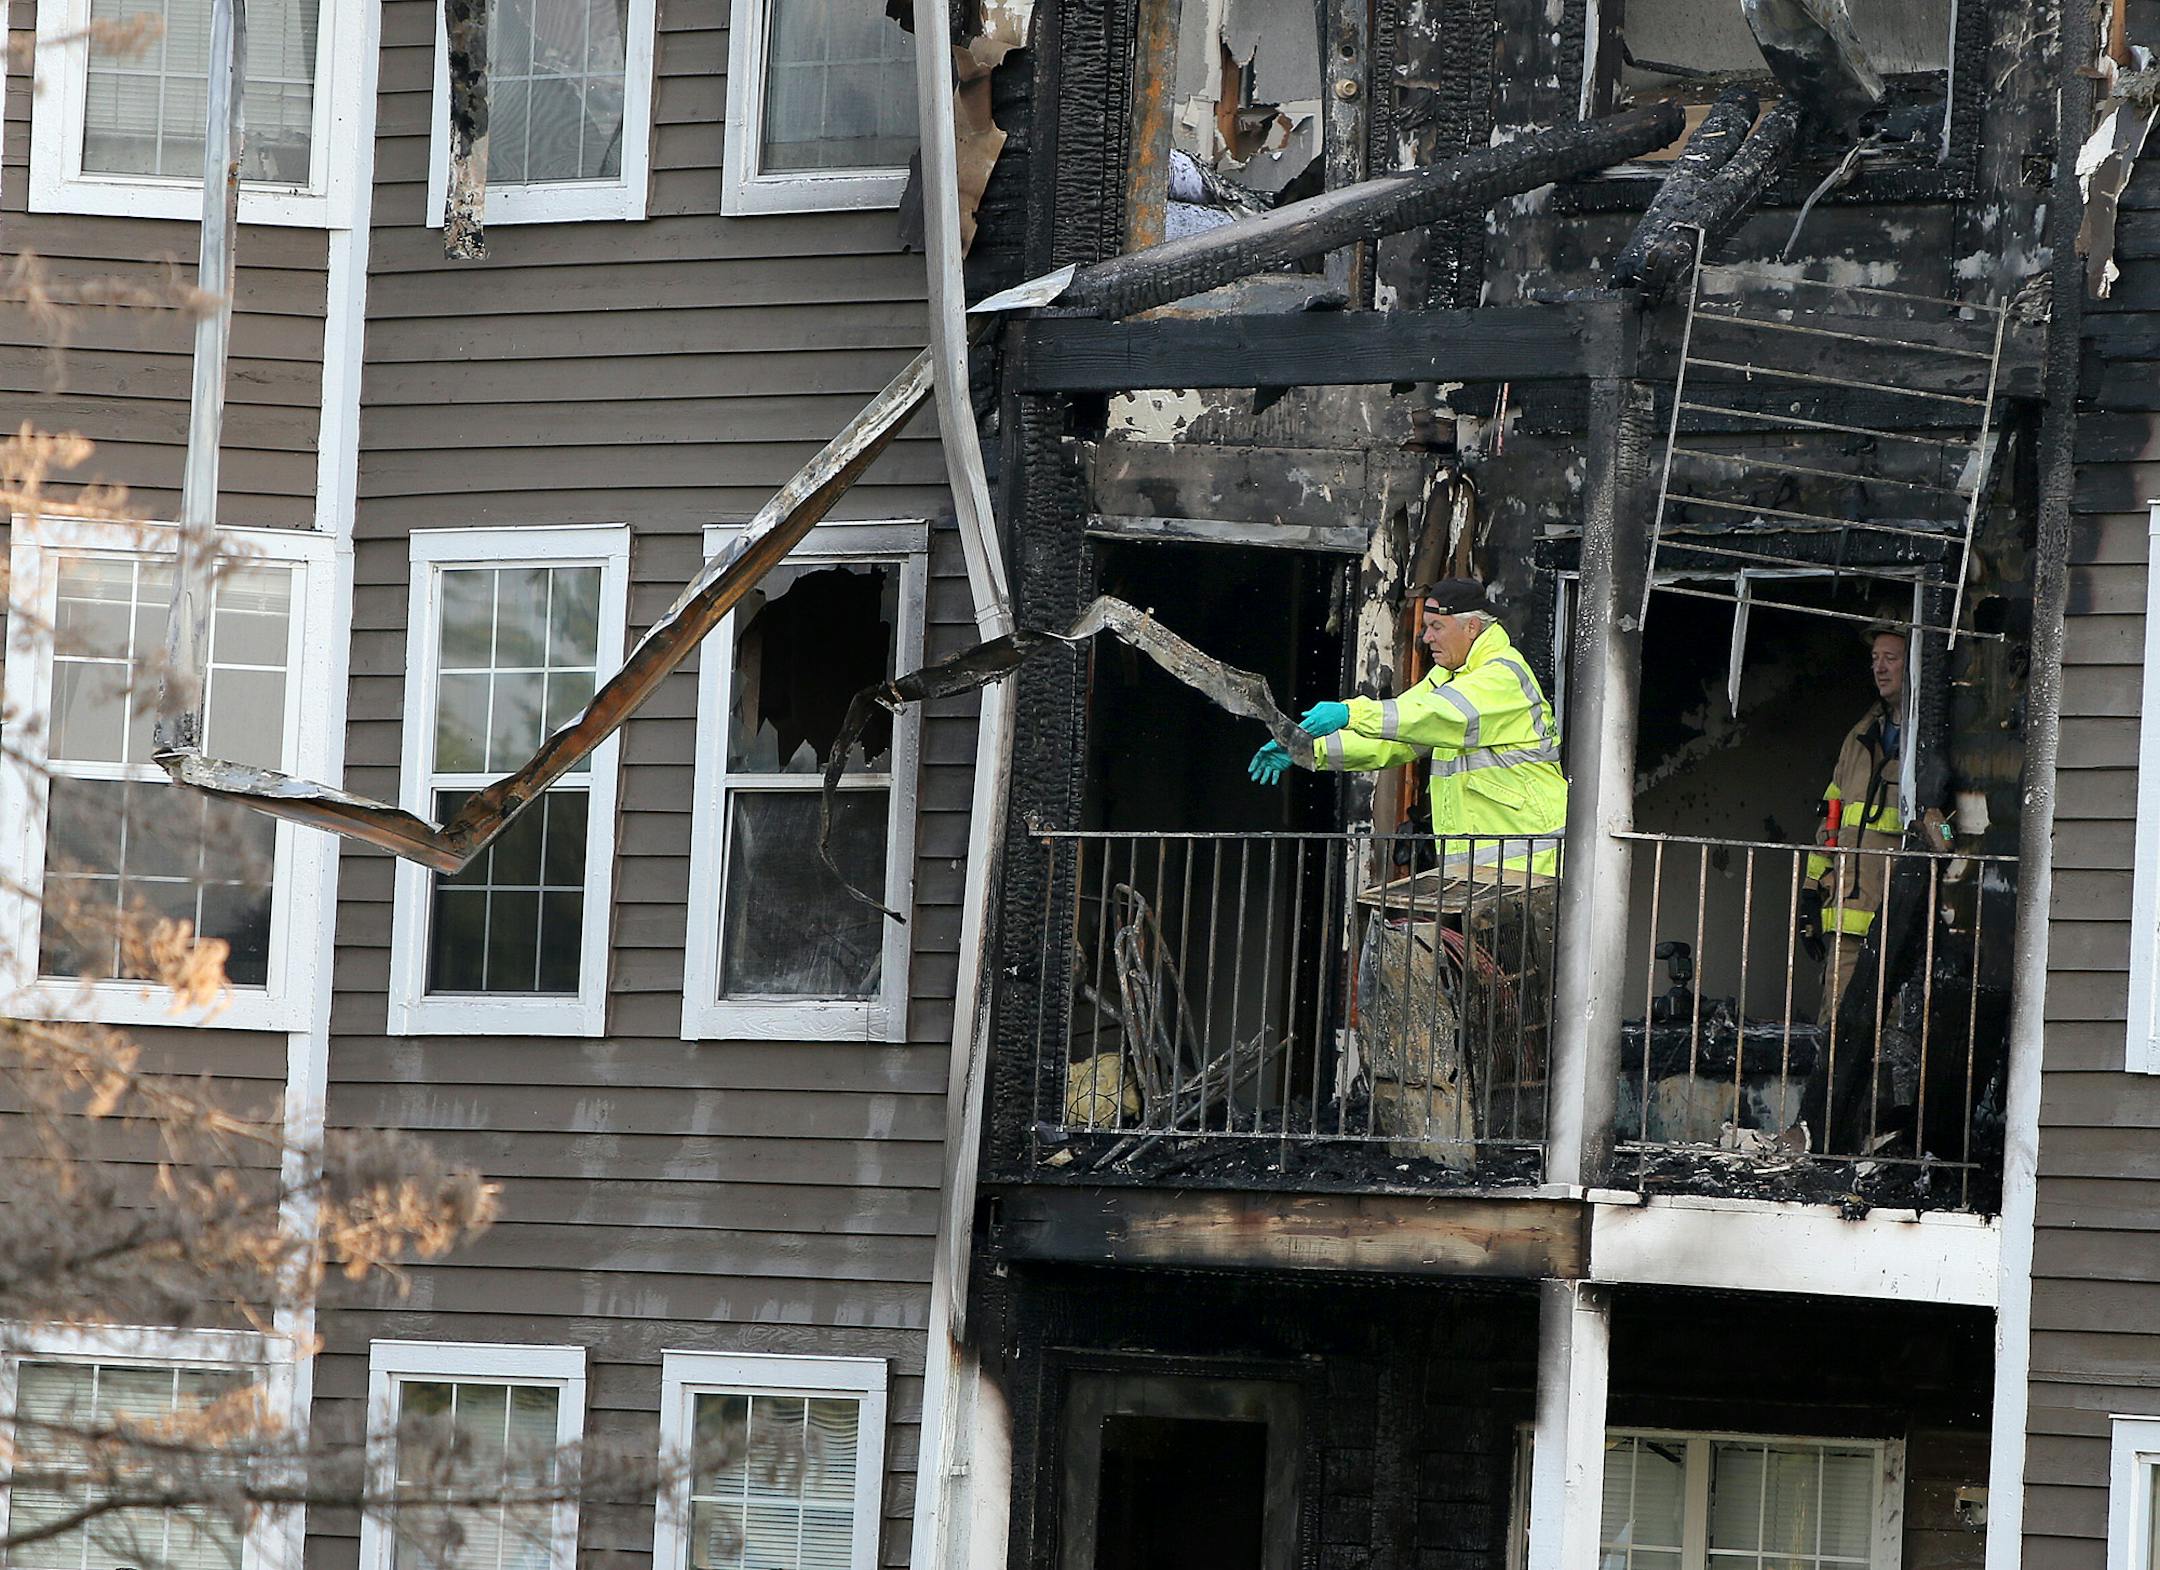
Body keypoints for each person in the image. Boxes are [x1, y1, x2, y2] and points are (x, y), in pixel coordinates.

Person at [1248, 579, 1567, 875]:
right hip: (1483, 874)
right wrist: (1304, 747)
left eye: (1436, 627)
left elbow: (1427, 715)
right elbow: (1395, 738)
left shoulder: (1502, 676)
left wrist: (1351, 712)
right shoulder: (1449, 676)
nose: (1426, 638)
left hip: (1531, 867)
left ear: (1471, 627)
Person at [1804, 623, 1950, 1022]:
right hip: (1846, 915)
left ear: (1915, 664)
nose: (1880, 668)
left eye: (1891, 658)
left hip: (1900, 924)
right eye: (1874, 659)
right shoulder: (1859, 737)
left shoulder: (1931, 737)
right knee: (1834, 1031)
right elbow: (1830, 819)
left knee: (1890, 1035)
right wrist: (1810, 892)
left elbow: (1949, 834)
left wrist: (1945, 837)